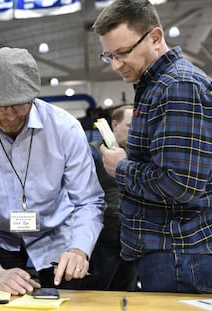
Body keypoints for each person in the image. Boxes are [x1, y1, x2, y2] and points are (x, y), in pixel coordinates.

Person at [0, 47, 106, 295]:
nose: (9, 115)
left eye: (19, 105)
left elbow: (89, 200)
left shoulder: (65, 128)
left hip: (57, 238)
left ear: (33, 95)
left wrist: (79, 249)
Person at [93, 0, 212, 293]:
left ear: (155, 37)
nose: (117, 64)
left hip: (180, 254)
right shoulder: (156, 88)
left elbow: (180, 184)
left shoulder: (178, 87)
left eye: (123, 53)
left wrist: (121, 168)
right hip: (170, 252)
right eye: (109, 56)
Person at [88, 105, 137, 291]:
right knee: (98, 295)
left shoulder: (137, 156)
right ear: (114, 125)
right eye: (129, 126)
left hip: (131, 241)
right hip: (102, 241)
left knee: (129, 295)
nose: (135, 131)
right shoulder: (93, 153)